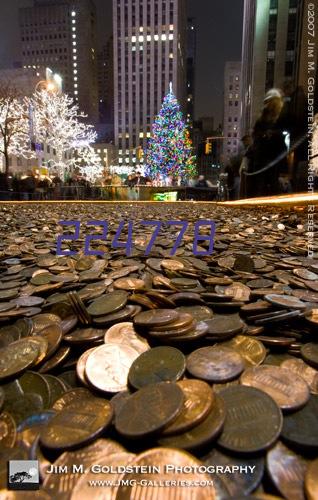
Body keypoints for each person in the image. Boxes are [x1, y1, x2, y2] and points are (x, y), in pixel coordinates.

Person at [245, 89, 288, 198]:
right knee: (259, 187)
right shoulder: (261, 119)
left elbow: (283, 137)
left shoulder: (281, 118)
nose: (270, 105)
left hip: (275, 158)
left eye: (273, 102)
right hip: (261, 159)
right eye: (269, 102)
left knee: (273, 186)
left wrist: (273, 134)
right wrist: (264, 135)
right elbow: (255, 136)